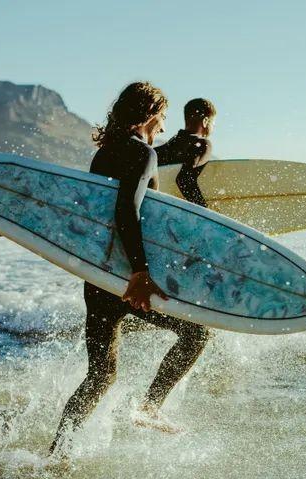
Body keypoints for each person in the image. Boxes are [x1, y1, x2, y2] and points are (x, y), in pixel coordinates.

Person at [50, 82, 212, 453]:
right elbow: (128, 210)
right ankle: (150, 407)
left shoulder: (105, 153)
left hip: (100, 275)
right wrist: (140, 273)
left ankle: (56, 453)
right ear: (151, 114)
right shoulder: (142, 154)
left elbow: (98, 214)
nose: (163, 128)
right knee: (197, 334)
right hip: (128, 277)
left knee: (100, 376)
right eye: (163, 119)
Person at [154, 98, 217, 207]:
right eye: (213, 124)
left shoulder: (167, 147)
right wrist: (204, 210)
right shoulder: (202, 144)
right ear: (205, 121)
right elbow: (184, 179)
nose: (213, 128)